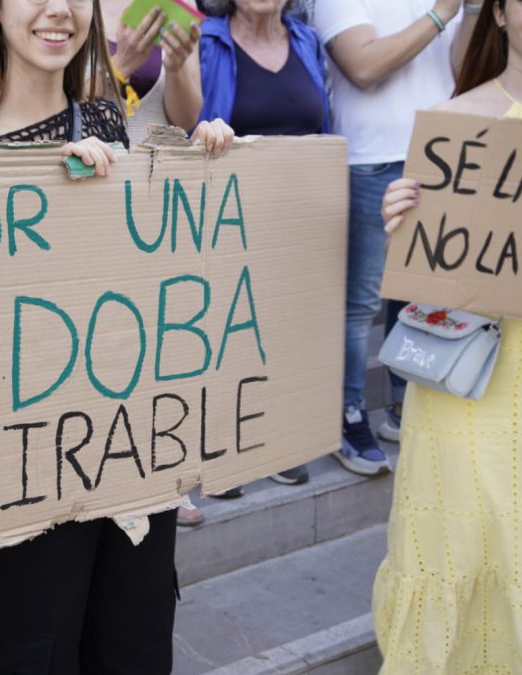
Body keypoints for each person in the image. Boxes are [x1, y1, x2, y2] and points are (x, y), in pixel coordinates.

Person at [0, 0, 231, 670]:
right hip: (20, 476)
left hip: (130, 459)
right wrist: (42, 187)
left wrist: (204, 159)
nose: (57, 10)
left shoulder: (104, 118)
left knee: (136, 641)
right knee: (35, 645)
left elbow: (149, 270)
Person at [374, 1, 522, 670]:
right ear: (498, 14)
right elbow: (431, 279)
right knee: (457, 543)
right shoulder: (455, 126)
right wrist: (403, 223)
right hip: (465, 383)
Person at [312, 0, 476, 476]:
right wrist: (443, 13)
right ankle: (348, 416)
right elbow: (364, 67)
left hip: (440, 156)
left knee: (421, 295)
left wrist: (476, 13)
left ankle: (406, 406)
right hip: (371, 159)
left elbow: (462, 72)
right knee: (362, 303)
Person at [196, 0, 329, 490]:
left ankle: (272, 437)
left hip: (299, 215)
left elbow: (322, 124)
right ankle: (222, 447)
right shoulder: (207, 39)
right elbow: (190, 118)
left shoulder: (305, 40)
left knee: (285, 330)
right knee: (229, 329)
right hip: (229, 216)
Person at [101, 0, 203, 145]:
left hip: (159, 163)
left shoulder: (182, 3)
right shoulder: (72, 6)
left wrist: (175, 69)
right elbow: (67, 109)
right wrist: (119, 67)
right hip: (91, 162)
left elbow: (185, 122)